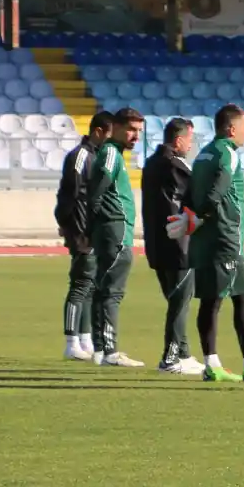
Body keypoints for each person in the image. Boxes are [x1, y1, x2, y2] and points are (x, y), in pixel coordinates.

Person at [173, 104, 244, 384]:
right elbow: (218, 189)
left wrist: (188, 217)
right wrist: (200, 216)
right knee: (242, 298)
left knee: (213, 299)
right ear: (231, 129)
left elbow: (188, 193)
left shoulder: (203, 154)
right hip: (226, 239)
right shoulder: (227, 153)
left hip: (206, 239)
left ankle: (215, 364)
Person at [142, 117, 203, 375]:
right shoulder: (175, 166)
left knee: (176, 299)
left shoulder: (151, 163)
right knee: (180, 302)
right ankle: (170, 358)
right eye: (189, 139)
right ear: (178, 140)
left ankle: (184, 353)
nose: (191, 145)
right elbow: (194, 200)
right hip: (178, 245)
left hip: (156, 244)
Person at [85, 108, 145, 368]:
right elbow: (98, 186)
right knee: (112, 292)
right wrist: (98, 217)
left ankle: (100, 349)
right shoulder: (111, 153)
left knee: (103, 290)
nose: (135, 136)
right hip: (116, 229)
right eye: (131, 130)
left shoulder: (113, 153)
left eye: (139, 131)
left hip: (111, 229)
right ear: (117, 127)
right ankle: (110, 352)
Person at [55, 110, 112, 362]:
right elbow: (70, 194)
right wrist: (69, 225)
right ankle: (71, 342)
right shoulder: (80, 156)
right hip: (81, 230)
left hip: (92, 230)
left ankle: (85, 338)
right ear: (98, 132)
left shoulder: (97, 156)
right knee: (80, 285)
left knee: (90, 285)